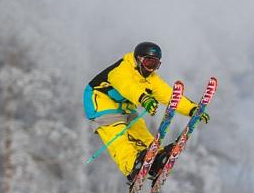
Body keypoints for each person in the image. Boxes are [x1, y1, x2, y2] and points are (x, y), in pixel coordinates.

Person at [84, 41, 210, 185]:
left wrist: (192, 109)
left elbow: (169, 94)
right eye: (148, 62)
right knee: (118, 135)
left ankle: (156, 158)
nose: (150, 69)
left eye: (155, 65)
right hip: (100, 101)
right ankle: (132, 166)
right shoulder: (122, 70)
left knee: (139, 130)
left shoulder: (151, 78)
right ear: (138, 59)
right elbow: (127, 86)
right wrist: (143, 98)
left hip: (123, 105)